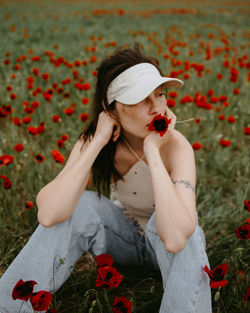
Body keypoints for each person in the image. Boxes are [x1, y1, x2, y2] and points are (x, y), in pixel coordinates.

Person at [0, 42, 212, 313]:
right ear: (112, 109)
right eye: (140, 99)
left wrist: (153, 151)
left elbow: (174, 239)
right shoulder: (97, 141)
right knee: (81, 203)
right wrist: (97, 141)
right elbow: (49, 214)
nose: (156, 107)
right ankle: (9, 308)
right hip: (123, 234)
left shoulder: (176, 147)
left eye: (160, 94)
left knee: (186, 224)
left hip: (170, 243)